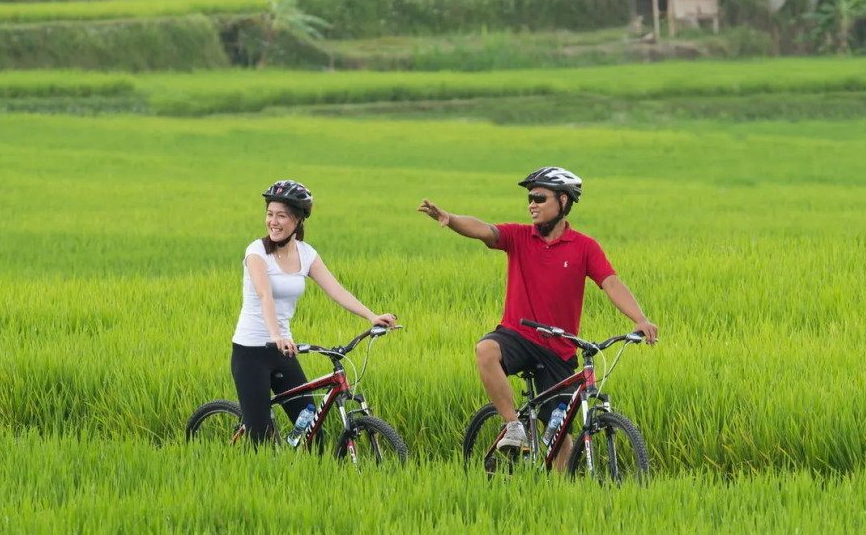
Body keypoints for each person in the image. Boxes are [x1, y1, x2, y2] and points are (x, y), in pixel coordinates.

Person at [417, 167, 658, 469]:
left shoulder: (584, 247)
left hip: (558, 349)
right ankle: (513, 426)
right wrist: (451, 219)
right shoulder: (519, 237)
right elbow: (485, 229)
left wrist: (640, 318)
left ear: (564, 201)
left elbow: (610, 281)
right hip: (518, 335)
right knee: (486, 350)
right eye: (529, 198)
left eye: (539, 197)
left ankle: (563, 498)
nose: (532, 204)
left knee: (560, 434)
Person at [232, 180, 396, 444]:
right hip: (252, 351)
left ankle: (297, 464)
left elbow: (336, 290)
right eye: (269, 214)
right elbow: (265, 296)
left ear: (298, 220)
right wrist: (276, 335)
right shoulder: (257, 252)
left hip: (284, 352)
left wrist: (371, 316)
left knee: (309, 425)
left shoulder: (306, 254)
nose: (273, 221)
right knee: (259, 438)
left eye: (281, 216)